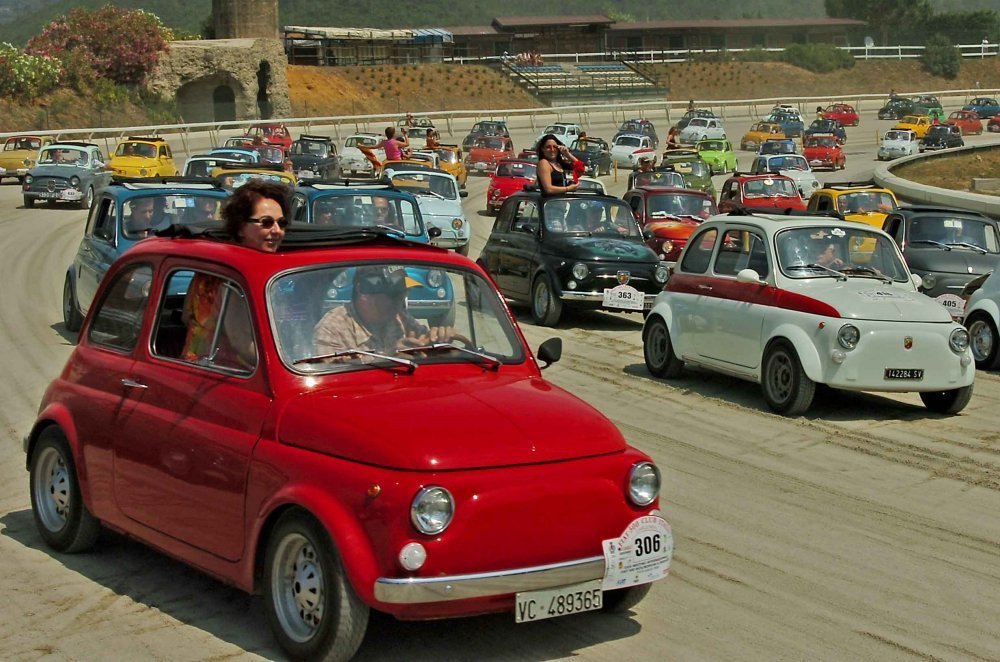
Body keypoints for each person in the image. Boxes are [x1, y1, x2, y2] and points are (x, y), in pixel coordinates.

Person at [180, 180, 290, 366]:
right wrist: (290, 364)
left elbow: (185, 316)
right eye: (266, 223)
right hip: (221, 375)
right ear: (240, 227)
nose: (277, 230)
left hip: (193, 367)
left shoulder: (212, 263)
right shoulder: (237, 274)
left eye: (282, 223)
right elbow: (241, 342)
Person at [312, 266, 452, 359]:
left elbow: (425, 341)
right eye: (394, 293)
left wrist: (440, 340)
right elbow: (330, 387)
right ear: (364, 293)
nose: (401, 300)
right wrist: (389, 359)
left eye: (404, 292)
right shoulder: (332, 330)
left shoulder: (399, 318)